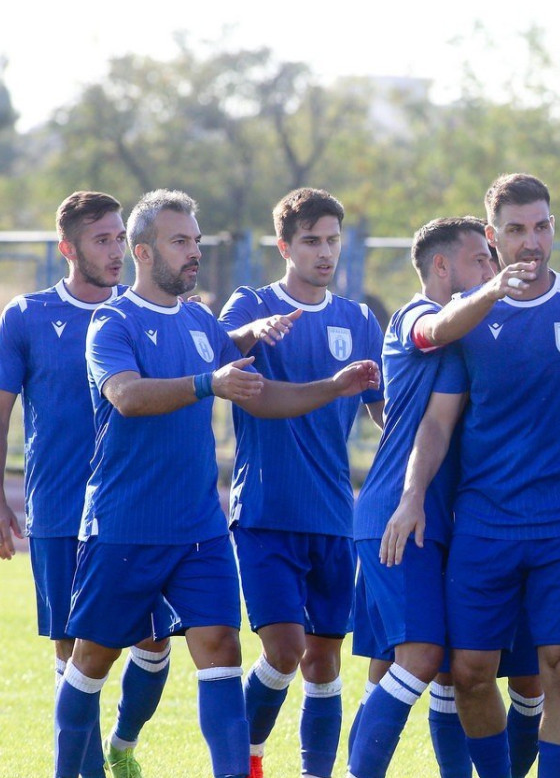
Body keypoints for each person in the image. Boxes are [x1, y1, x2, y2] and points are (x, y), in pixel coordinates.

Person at [52, 189, 380, 778]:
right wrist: (209, 382)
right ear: (143, 251)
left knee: (223, 655)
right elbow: (126, 396)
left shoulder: (203, 321)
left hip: (200, 530)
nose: (194, 252)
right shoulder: (112, 320)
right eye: (181, 241)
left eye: (196, 241)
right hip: (124, 526)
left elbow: (257, 391)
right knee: (91, 662)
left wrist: (333, 388)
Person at [381, 173, 560, 778]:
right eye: (516, 230)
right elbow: (438, 424)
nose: (531, 242)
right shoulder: (469, 321)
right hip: (485, 521)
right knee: (468, 674)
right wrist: (411, 496)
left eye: (541, 227)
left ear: (553, 228)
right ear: (493, 238)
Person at [0, 191, 174, 778]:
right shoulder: (27, 315)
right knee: (72, 653)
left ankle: (123, 744)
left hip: (138, 512)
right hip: (62, 511)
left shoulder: (146, 311)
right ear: (68, 248)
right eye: (102, 240)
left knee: (156, 645)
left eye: (120, 237)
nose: (116, 251)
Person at [347, 216, 543, 778]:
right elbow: (433, 332)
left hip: (442, 515)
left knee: (440, 672)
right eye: (480, 259)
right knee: (419, 659)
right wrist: (495, 287)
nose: (491, 267)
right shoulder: (417, 315)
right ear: (442, 266)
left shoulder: (469, 335)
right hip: (400, 511)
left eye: (491, 259)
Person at [215, 188, 386, 778]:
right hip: (265, 512)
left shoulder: (358, 319)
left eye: (333, 240)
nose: (324, 252)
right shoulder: (252, 303)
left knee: (324, 661)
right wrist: (250, 333)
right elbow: (216, 352)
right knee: (283, 652)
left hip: (334, 516)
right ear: (285, 245)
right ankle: (246, 756)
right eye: (311, 240)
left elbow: (382, 409)